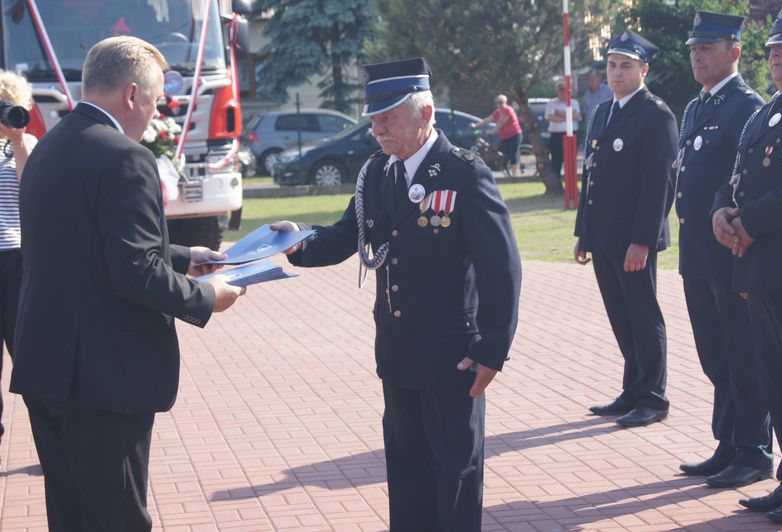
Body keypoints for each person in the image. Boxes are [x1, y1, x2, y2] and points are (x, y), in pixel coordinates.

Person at [272, 57, 522, 532]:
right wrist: (295, 239)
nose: (378, 127)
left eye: (389, 115)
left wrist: (493, 347)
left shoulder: (463, 173)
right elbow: (347, 236)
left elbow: (501, 266)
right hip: (398, 348)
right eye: (374, 118)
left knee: (454, 470)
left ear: (425, 113)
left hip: (455, 354)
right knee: (406, 467)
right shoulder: (378, 175)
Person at [10, 36, 244, 531]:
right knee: (117, 517)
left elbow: (81, 243)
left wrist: (182, 256)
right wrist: (206, 298)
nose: (156, 116)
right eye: (157, 102)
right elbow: (134, 271)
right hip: (103, 374)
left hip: (49, 365)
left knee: (70, 515)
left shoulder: (49, 145)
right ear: (133, 95)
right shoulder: (124, 157)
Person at [674, 11, 772, 489]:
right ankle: (728, 442)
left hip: (730, 254)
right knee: (715, 355)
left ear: (734, 51)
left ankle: (753, 450)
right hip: (696, 251)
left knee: (742, 354)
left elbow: (746, 181)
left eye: (707, 48)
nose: (697, 55)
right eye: (694, 48)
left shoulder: (747, 107)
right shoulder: (696, 108)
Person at [711, 5, 782, 524]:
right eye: (772, 49)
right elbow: (737, 173)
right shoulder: (767, 111)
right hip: (761, 270)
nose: (776, 57)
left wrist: (747, 223)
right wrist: (721, 209)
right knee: (778, 383)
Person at [573, 29, 677, 428]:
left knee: (642, 314)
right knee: (620, 315)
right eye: (612, 65)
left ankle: (653, 395)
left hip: (634, 239)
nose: (616, 73)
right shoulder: (603, 112)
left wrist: (643, 241)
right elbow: (591, 176)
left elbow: (658, 186)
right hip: (603, 236)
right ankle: (633, 388)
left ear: (643, 69)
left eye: (626, 66)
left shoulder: (655, 114)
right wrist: (584, 232)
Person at [0, 70, 36, 457]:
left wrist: (18, 139)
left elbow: (33, 191)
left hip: (17, 261)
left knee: (27, 357)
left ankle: (49, 438)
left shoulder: (28, 145)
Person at [470, 93, 523, 176]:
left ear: (505, 102)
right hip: (505, 137)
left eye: (501, 102)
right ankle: (504, 166)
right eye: (498, 102)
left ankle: (515, 175)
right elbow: (487, 120)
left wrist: (492, 131)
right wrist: (476, 126)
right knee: (499, 151)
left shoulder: (508, 110)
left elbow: (500, 123)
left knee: (513, 155)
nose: (500, 104)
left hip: (514, 135)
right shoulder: (498, 112)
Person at [545, 80, 581, 178]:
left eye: (565, 89)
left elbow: (576, 116)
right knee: (556, 160)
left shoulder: (574, 102)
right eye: (561, 89)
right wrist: (568, 117)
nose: (563, 92)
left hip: (572, 134)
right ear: (557, 91)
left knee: (571, 161)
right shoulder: (551, 103)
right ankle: (558, 184)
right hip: (556, 136)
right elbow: (551, 117)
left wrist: (560, 113)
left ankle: (572, 182)